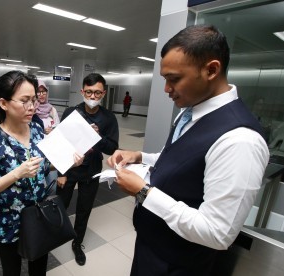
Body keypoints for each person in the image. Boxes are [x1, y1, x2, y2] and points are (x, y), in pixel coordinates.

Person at [107, 25, 269, 275]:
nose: (166, 89)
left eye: (174, 79)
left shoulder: (240, 140)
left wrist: (144, 193)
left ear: (211, 70)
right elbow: (182, 160)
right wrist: (140, 156)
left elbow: (217, 233)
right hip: (152, 248)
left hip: (178, 264)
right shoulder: (190, 112)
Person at [0, 70, 82, 276]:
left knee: (39, 268)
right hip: (7, 221)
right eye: (24, 101)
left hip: (38, 215)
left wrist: (68, 162)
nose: (32, 106)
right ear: (4, 103)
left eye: (34, 100)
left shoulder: (35, 129)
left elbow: (42, 166)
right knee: (12, 270)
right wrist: (16, 173)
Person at [56, 73, 119, 266]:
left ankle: (77, 242)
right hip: (69, 168)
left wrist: (98, 137)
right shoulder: (71, 113)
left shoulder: (108, 118)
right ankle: (54, 234)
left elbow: (112, 148)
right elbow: (60, 143)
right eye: (89, 92)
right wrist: (61, 173)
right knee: (60, 205)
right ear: (83, 91)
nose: (92, 97)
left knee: (84, 209)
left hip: (91, 170)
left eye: (97, 93)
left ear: (103, 93)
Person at [35, 79, 60, 193]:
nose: (41, 95)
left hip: (51, 153)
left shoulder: (52, 110)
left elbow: (59, 129)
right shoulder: (31, 110)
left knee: (52, 186)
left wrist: (53, 131)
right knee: (36, 186)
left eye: (44, 92)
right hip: (36, 154)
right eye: (38, 92)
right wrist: (41, 131)